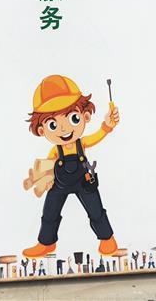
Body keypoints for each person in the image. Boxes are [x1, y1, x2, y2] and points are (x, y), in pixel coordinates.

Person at [21, 74, 120, 259]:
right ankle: (46, 243)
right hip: (59, 184)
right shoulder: (55, 150)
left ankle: (107, 239)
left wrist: (107, 126)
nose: (64, 129)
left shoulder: (82, 143)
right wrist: (43, 178)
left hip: (84, 181)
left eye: (73, 118)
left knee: (96, 209)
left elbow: (98, 135)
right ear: (42, 130)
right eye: (53, 125)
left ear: (85, 116)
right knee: (50, 211)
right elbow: (47, 167)